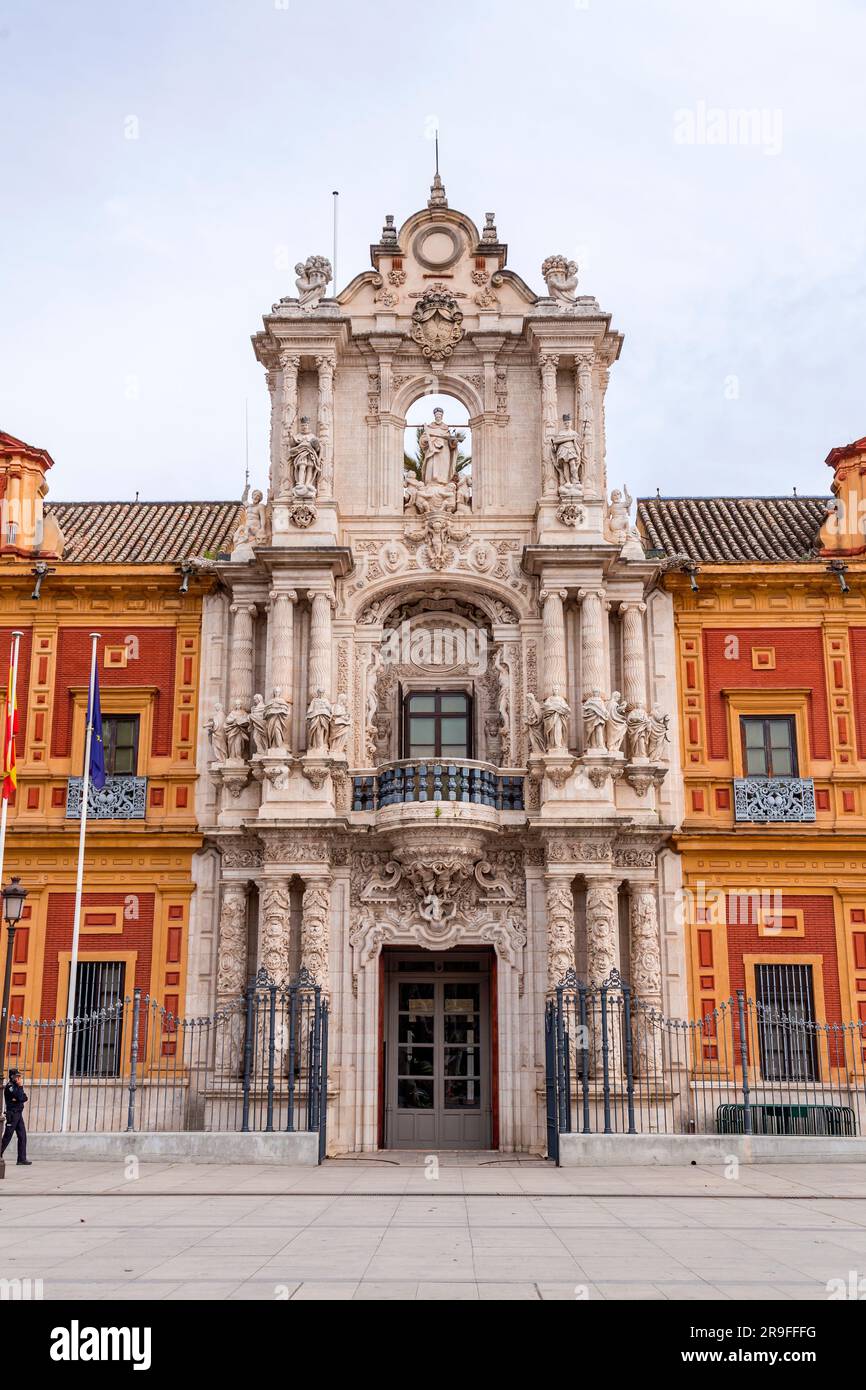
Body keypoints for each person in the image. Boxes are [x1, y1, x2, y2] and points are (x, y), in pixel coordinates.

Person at [2, 1069, 31, 1165]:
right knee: (7, 1137)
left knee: (22, 1136)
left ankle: (21, 1159)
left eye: (19, 1076)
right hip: (12, 1114)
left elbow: (24, 1098)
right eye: (17, 1076)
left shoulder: (16, 1087)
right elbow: (20, 1097)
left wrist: (19, 1097)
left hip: (19, 1114)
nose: (19, 1078)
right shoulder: (10, 1087)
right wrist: (20, 1089)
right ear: (12, 1077)